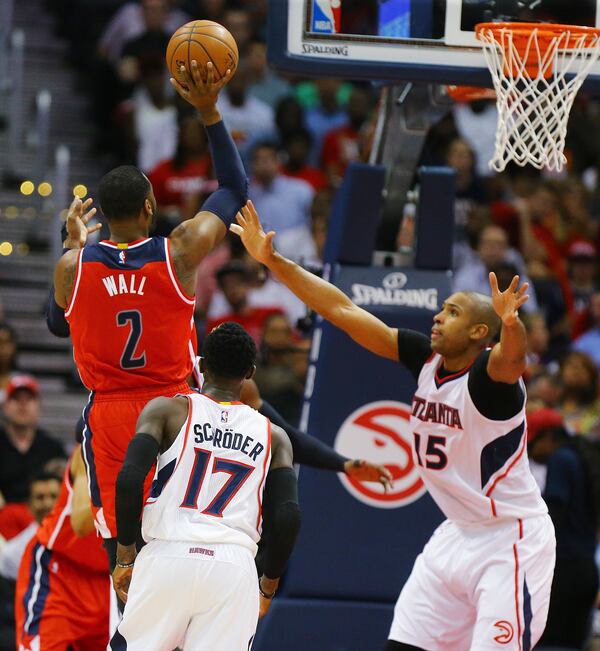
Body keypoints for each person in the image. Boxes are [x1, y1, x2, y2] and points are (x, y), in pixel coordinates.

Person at [231, 201, 556, 651]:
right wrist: (273, 261)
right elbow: (343, 310)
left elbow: (512, 359)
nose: (439, 316)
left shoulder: (489, 380)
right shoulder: (425, 359)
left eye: (454, 312)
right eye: (442, 308)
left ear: (481, 334)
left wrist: (511, 323)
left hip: (511, 539)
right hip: (456, 533)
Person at [48, 61, 248, 558]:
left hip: (110, 412)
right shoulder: (178, 251)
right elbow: (233, 192)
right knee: (184, 529)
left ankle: (130, 623)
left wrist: (68, 245)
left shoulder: (73, 266)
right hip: (174, 404)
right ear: (149, 205)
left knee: (124, 541)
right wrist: (208, 112)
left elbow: (57, 324)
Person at [110, 323, 301, 649]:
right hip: (233, 565)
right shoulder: (275, 436)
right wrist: (268, 584)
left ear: (201, 364)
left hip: (168, 554)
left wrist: (126, 555)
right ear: (250, 372)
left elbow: (129, 479)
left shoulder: (167, 410)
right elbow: (287, 517)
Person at [15, 444, 112, 651]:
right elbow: (81, 523)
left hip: (106, 575)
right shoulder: (90, 447)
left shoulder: (154, 447)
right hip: (58, 568)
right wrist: (127, 485)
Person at [527, 409, 599, 650]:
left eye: (532, 442)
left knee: (549, 644)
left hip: (564, 572)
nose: (528, 450)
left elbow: (554, 513)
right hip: (586, 569)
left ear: (548, 438)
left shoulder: (561, 460)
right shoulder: (582, 456)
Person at [0, 375, 65, 505]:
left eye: (29, 399)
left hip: (43, 518)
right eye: (16, 398)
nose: (22, 404)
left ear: (39, 406)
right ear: (5, 406)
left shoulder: (53, 448)